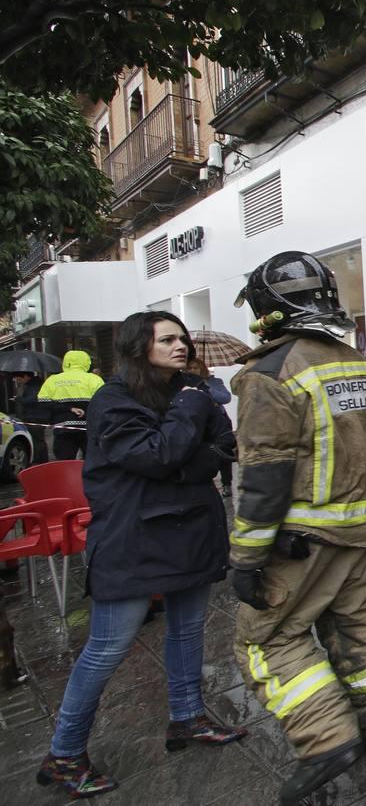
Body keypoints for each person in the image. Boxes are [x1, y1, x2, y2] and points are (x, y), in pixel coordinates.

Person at [36, 312, 245, 799]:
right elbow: (156, 455)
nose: (180, 347)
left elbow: (225, 446)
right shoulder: (113, 399)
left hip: (190, 531)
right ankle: (64, 754)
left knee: (189, 629)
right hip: (133, 539)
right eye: (167, 339)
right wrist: (185, 435)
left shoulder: (188, 391)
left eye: (182, 339)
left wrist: (180, 458)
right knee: (107, 648)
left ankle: (186, 717)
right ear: (138, 346)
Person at [229, 251, 366, 805]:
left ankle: (325, 738)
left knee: (263, 640)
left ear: (267, 309)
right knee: (360, 628)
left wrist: (246, 558)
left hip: (304, 543)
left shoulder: (270, 374)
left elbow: (263, 477)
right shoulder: (360, 365)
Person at [37, 350, 104, 460]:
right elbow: (103, 403)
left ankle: (68, 477)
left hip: (63, 429)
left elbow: (43, 403)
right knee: (92, 462)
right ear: (86, 362)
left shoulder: (52, 380)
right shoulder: (94, 379)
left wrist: (68, 409)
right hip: (89, 429)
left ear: (65, 363)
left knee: (65, 463)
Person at [185, 357, 234, 500]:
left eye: (195, 367)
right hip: (199, 422)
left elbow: (225, 398)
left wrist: (205, 386)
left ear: (202, 368)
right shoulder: (184, 383)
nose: (193, 370)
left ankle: (227, 483)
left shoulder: (214, 382)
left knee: (224, 453)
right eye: (189, 368)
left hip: (218, 422)